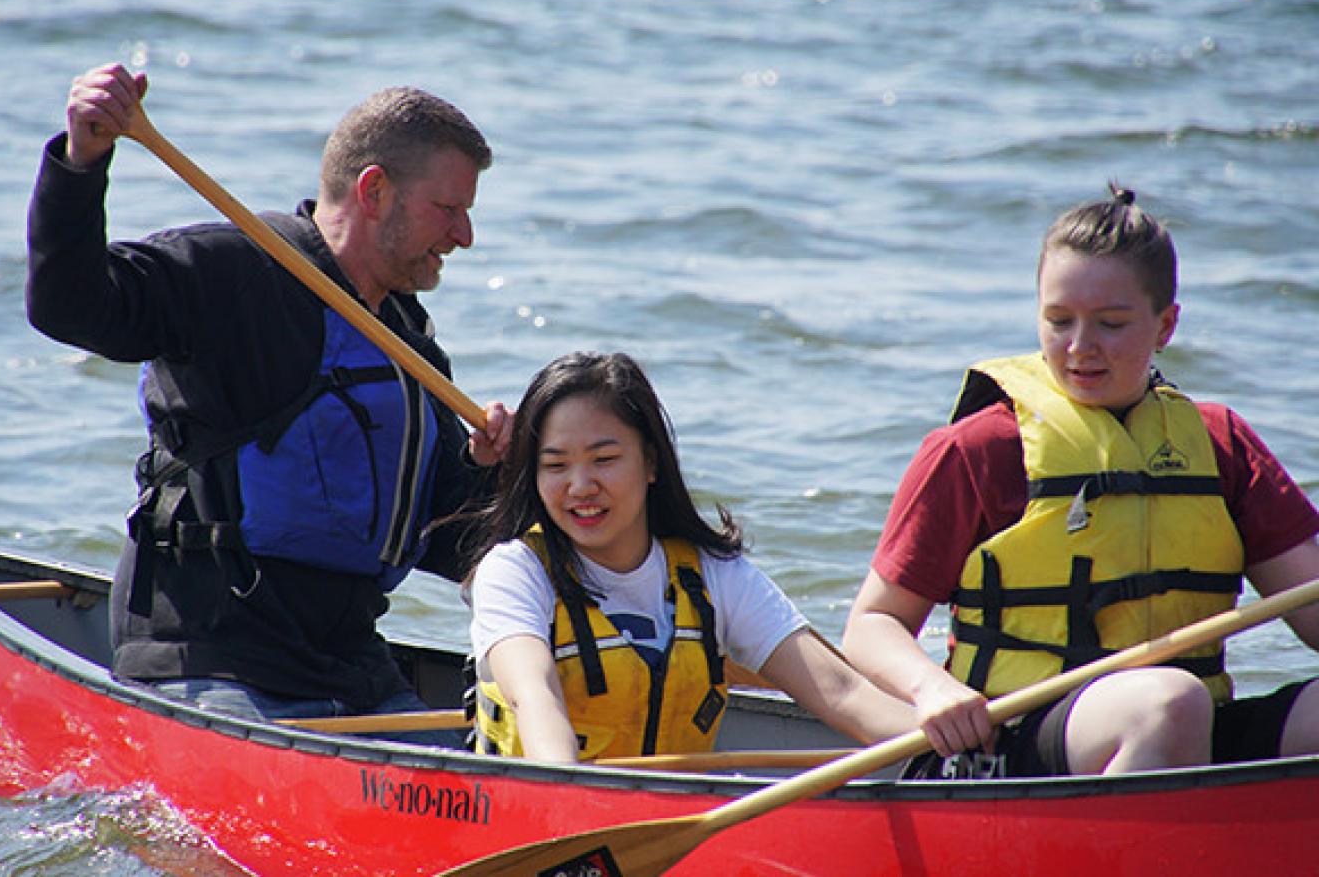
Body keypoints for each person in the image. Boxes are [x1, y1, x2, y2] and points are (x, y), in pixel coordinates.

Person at [25, 62, 512, 742]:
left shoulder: (411, 349)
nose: (464, 236)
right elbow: (68, 306)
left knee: (473, 773)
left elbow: (449, 538)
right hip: (208, 657)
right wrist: (82, 161)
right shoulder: (235, 269)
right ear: (375, 190)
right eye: (450, 208)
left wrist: (500, 472)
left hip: (351, 671)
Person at [842, 183, 1319, 777]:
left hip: (1186, 727)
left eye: (1111, 324)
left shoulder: (1220, 444)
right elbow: (870, 626)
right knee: (1167, 703)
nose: (1080, 347)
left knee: (1182, 704)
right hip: (1013, 743)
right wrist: (928, 691)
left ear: (1166, 324)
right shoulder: (976, 450)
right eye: (1059, 320)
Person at [464, 351, 927, 763]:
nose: (581, 486)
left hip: (671, 823)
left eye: (604, 460)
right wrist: (566, 793)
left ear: (651, 463)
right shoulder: (513, 571)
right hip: (554, 809)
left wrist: (947, 742)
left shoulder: (713, 573)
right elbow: (535, 697)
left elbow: (841, 691)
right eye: (556, 466)